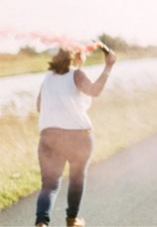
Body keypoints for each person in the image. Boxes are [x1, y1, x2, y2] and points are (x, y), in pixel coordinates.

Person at [34, 44, 116, 227]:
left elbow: (39, 107)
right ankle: (72, 220)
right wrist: (108, 66)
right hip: (77, 137)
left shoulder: (47, 79)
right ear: (77, 55)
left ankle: (41, 222)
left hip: (49, 137)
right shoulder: (76, 74)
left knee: (49, 184)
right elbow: (95, 91)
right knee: (77, 177)